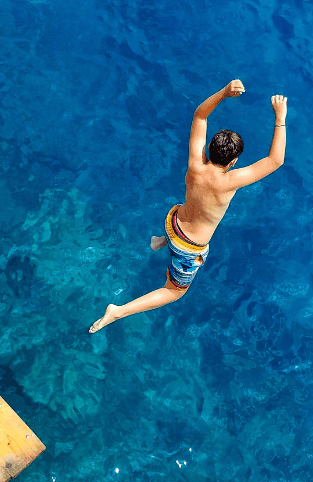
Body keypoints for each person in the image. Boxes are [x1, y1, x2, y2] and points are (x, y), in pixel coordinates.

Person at [89, 79, 288, 332]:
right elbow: (276, 159)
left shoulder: (197, 164)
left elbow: (200, 115)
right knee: (174, 291)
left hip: (172, 222)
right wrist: (280, 116)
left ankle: (161, 241)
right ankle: (119, 311)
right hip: (188, 248)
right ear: (234, 161)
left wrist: (225, 93)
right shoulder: (230, 181)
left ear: (211, 149)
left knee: (182, 219)